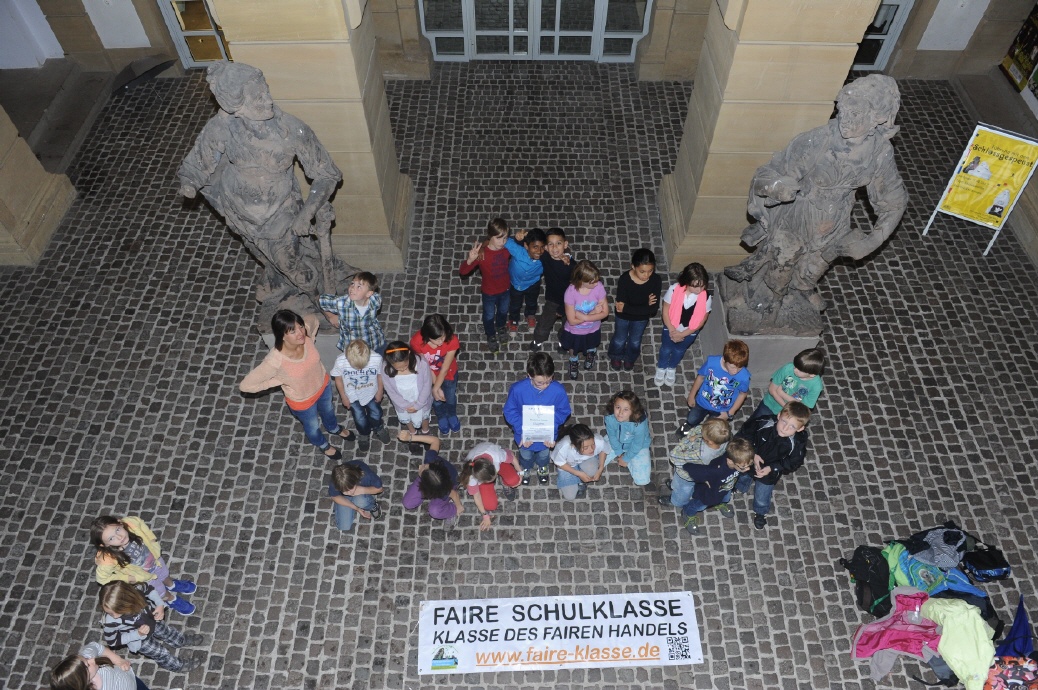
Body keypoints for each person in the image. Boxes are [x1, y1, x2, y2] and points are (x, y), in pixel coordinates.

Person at [721, 74, 908, 334]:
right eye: (842, 110)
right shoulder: (817, 141)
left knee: (813, 269)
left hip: (835, 222)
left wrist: (871, 241)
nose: (845, 119)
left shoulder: (879, 153)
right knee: (783, 263)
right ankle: (766, 302)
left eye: (856, 114)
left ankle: (800, 289)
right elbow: (768, 174)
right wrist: (778, 187)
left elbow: (893, 202)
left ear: (877, 117)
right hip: (797, 217)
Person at [177, 62, 346, 324]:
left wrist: (307, 212)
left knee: (293, 266)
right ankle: (292, 289)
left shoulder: (292, 130)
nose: (268, 99)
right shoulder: (221, 127)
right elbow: (199, 161)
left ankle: (321, 304)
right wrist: (190, 182)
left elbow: (327, 174)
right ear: (236, 105)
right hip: (238, 213)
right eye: (258, 97)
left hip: (280, 213)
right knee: (271, 261)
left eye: (266, 91)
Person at [240, 310, 355, 460]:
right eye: (292, 331)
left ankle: (333, 428)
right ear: (282, 335)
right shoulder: (275, 360)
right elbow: (246, 386)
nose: (300, 332)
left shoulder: (305, 338)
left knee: (329, 411)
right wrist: (278, 380)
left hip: (323, 386)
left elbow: (313, 319)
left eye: (300, 326)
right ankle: (322, 445)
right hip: (303, 401)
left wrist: (309, 335)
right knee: (312, 426)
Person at [90, 516, 197, 616]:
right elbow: (102, 579)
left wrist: (152, 540)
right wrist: (129, 578)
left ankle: (171, 585)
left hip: (156, 561)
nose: (119, 537)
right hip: (146, 578)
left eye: (117, 530)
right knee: (160, 591)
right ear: (104, 545)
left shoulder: (130, 523)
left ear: (120, 523)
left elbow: (140, 523)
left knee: (164, 574)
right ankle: (171, 599)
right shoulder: (108, 559)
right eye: (111, 539)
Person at [733, 401, 811, 531]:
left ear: (800, 429)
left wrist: (772, 468)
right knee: (744, 475)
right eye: (784, 422)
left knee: (763, 493)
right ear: (779, 415)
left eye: (792, 427)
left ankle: (760, 511)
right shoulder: (763, 422)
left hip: (770, 472)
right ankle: (740, 487)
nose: (785, 428)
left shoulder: (797, 443)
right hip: (751, 460)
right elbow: (746, 433)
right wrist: (753, 453)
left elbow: (794, 462)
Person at [98, 582, 204, 673]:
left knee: (167, 632)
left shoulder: (137, 589)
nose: (114, 616)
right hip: (140, 641)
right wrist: (136, 634)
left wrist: (159, 605)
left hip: (152, 620)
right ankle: (176, 665)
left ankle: (180, 640)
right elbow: (112, 641)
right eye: (110, 613)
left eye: (117, 612)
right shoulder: (110, 622)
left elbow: (150, 590)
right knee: (160, 653)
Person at [502, 352, 572, 486]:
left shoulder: (558, 390)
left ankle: (542, 466)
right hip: (524, 434)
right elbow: (510, 411)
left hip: (546, 436)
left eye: (549, 380)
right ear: (530, 375)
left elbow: (564, 411)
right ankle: (526, 467)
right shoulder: (518, 390)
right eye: (540, 382)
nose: (545, 385)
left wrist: (551, 428)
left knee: (544, 454)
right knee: (526, 455)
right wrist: (521, 429)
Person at [675, 438, 755, 535]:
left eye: (749, 465)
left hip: (725, 489)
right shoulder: (717, 470)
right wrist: (702, 479)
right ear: (730, 461)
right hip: (709, 495)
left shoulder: (738, 458)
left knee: (725, 497)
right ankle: (687, 513)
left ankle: (720, 503)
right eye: (743, 467)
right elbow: (694, 469)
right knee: (698, 505)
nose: (747, 469)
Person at [654, 262, 711, 387]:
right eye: (695, 286)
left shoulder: (706, 297)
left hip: (689, 332)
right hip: (671, 327)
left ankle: (671, 367)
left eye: (702, 286)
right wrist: (672, 330)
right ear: (687, 281)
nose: (700, 290)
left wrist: (683, 334)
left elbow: (702, 320)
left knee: (679, 350)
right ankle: (662, 367)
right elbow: (665, 310)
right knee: (666, 348)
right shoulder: (674, 289)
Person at [679, 339, 751, 436]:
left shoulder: (744, 376)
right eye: (733, 367)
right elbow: (700, 377)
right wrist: (692, 395)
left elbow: (743, 394)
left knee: (710, 428)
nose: (736, 371)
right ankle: (688, 426)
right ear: (725, 359)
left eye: (740, 367)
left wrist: (730, 413)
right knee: (692, 419)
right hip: (702, 402)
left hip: (722, 409)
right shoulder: (711, 363)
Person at [459, 218, 511, 353]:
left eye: (505, 238)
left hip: (505, 289)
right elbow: (463, 271)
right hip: (489, 292)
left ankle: (500, 327)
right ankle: (491, 334)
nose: (503, 242)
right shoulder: (482, 255)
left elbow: (520, 248)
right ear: (490, 236)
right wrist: (470, 259)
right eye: (499, 238)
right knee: (488, 315)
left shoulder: (507, 249)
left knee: (503, 311)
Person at [330, 339, 389, 453]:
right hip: (352, 395)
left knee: (376, 413)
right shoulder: (341, 361)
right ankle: (364, 433)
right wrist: (344, 397)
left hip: (371, 392)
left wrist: (380, 391)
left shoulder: (376, 358)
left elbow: (380, 375)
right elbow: (338, 379)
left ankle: (378, 427)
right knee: (359, 418)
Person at [608, 248, 661, 371]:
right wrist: (644, 307)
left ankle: (630, 358)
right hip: (623, 318)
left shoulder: (655, 280)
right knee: (619, 339)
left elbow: (653, 310)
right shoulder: (625, 280)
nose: (646, 275)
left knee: (635, 341)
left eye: (650, 271)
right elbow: (621, 309)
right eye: (642, 271)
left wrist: (628, 307)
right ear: (633, 266)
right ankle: (615, 355)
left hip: (641, 320)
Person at [662, 417, 732, 509]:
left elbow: (674, 456)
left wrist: (688, 440)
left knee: (682, 490)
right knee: (682, 486)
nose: (701, 429)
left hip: (686, 475)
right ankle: (673, 485)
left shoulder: (700, 454)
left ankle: (676, 502)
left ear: (709, 442)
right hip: (701, 473)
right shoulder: (725, 440)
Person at [410, 314, 461, 435]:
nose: (441, 341)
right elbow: (425, 364)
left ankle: (451, 414)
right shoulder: (417, 342)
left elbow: (445, 368)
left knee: (450, 397)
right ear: (427, 336)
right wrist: (434, 386)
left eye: (443, 337)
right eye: (437, 339)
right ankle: (441, 416)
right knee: (436, 401)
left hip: (449, 374)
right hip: (428, 375)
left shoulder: (452, 339)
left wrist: (435, 388)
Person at [398, 431, 464, 526]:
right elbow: (435, 440)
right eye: (425, 466)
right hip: (434, 481)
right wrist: (410, 438)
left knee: (435, 511)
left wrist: (458, 506)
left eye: (422, 469)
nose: (421, 466)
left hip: (447, 485)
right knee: (407, 503)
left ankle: (451, 511)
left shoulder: (443, 491)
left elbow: (454, 494)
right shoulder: (431, 460)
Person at [559, 259, 609, 380]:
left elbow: (605, 312)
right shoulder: (570, 293)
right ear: (582, 281)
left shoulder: (598, 287)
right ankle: (573, 361)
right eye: (592, 281)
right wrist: (594, 313)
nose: (596, 283)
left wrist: (585, 316)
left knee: (591, 344)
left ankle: (591, 354)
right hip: (574, 331)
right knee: (573, 349)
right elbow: (572, 321)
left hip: (593, 329)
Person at [380, 341, 434, 448]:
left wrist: (418, 405)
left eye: (405, 365)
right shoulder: (385, 368)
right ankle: (412, 434)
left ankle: (425, 433)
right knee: (407, 420)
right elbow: (390, 390)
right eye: (398, 368)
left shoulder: (421, 363)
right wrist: (405, 405)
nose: (402, 369)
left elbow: (427, 384)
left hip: (421, 400)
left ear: (409, 354)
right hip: (402, 404)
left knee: (424, 417)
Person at [747, 347, 825, 421]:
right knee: (753, 423)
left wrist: (781, 393)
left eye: (799, 370)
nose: (795, 369)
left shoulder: (816, 386)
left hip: (788, 414)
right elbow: (772, 389)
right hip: (769, 404)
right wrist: (789, 404)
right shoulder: (788, 368)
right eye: (795, 366)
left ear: (812, 374)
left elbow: (802, 407)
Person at [459, 442, 523, 531]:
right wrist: (485, 515)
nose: (494, 479)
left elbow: (511, 456)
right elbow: (476, 496)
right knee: (490, 506)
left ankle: (505, 482)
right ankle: (490, 485)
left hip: (495, 459)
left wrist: (520, 471)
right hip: (485, 469)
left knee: (514, 480)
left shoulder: (496, 455)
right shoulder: (471, 477)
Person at [319, 272, 386, 355]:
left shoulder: (376, 301)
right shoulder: (341, 303)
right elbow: (320, 301)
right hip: (354, 349)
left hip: (374, 342)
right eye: (352, 284)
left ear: (369, 293)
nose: (352, 288)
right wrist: (330, 316)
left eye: (359, 287)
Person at [530, 227, 572, 352]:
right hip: (552, 300)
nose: (554, 248)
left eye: (558, 243)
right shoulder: (545, 257)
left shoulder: (571, 266)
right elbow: (530, 248)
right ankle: (538, 340)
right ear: (546, 248)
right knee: (544, 323)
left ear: (565, 244)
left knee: (568, 325)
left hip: (568, 302)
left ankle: (563, 341)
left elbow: (575, 288)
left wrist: (563, 308)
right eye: (551, 244)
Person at [50, 642, 149, 690]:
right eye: (88, 665)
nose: (92, 659)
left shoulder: (87, 658)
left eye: (86, 660)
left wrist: (118, 660)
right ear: (83, 680)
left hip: (131, 679)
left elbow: (95, 646)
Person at [603, 391, 652, 487]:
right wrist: (619, 452)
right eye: (618, 407)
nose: (620, 412)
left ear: (633, 411)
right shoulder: (609, 417)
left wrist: (626, 458)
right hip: (616, 442)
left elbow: (638, 444)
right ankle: (629, 460)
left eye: (626, 409)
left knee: (642, 481)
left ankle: (630, 461)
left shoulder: (639, 424)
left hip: (638, 446)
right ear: (613, 406)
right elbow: (612, 435)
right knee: (597, 463)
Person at [505, 228, 547, 332]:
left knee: (532, 302)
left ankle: (530, 315)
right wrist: (516, 239)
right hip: (515, 284)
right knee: (515, 304)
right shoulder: (518, 251)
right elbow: (501, 240)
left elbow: (560, 252)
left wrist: (566, 255)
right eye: (535, 247)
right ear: (526, 246)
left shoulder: (546, 257)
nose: (539, 251)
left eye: (542, 247)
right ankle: (513, 319)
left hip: (533, 284)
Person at [551, 424, 609, 500]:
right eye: (585, 447)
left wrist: (600, 468)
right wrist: (578, 473)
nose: (591, 449)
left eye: (593, 444)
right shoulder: (564, 446)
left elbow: (603, 449)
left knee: (592, 470)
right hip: (568, 465)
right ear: (574, 446)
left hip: (587, 460)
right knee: (570, 496)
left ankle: (582, 479)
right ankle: (580, 475)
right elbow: (559, 463)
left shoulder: (598, 440)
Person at [328, 460, 383, 532]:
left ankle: (373, 506)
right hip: (345, 498)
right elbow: (335, 496)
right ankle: (352, 503)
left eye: (351, 488)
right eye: (345, 491)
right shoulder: (336, 481)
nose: (350, 493)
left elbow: (380, 489)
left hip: (362, 490)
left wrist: (362, 490)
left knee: (361, 501)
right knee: (344, 526)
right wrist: (357, 508)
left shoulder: (366, 475)